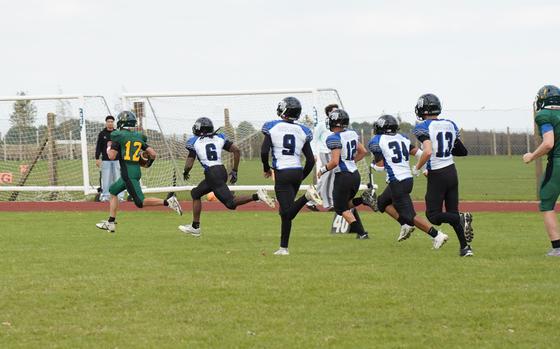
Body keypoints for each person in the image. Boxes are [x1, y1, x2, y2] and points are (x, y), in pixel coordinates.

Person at [178, 117, 275, 237]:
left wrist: (185, 172)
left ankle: (257, 196)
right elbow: (237, 151)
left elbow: (189, 163)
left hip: (213, 174)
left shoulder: (194, 141)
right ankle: (195, 227)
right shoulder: (219, 138)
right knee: (196, 193)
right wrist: (234, 170)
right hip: (220, 171)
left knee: (231, 203)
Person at [367, 114, 449, 248]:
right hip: (407, 179)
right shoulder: (402, 138)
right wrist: (423, 169)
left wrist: (373, 166)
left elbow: (380, 167)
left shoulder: (377, 140)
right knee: (382, 202)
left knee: (410, 216)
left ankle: (437, 235)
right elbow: (419, 154)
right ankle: (405, 225)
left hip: (397, 182)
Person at [95, 111, 183, 233]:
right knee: (113, 191)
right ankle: (110, 223)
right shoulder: (138, 136)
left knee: (140, 202)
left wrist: (109, 146)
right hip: (135, 170)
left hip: (128, 173)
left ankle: (168, 202)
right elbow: (153, 153)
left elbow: (111, 156)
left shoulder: (118, 136)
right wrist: (148, 163)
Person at [412, 94, 474, 257]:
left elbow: (427, 151)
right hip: (451, 171)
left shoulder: (422, 126)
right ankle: (465, 248)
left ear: (422, 109)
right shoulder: (450, 124)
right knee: (452, 211)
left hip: (438, 174)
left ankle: (460, 218)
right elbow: (462, 151)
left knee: (433, 216)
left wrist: (417, 167)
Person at [261, 96, 322, 255]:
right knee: (285, 212)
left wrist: (266, 168)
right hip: (296, 170)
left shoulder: (272, 127)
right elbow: (310, 160)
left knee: (286, 212)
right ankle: (283, 248)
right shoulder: (302, 130)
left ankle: (307, 197)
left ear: (284, 110)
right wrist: (302, 176)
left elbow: (263, 151)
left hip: (282, 171)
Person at [318, 109, 369, 239]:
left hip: (343, 176)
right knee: (346, 204)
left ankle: (362, 233)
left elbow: (334, 162)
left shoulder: (333, 138)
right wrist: (351, 161)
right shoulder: (351, 134)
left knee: (340, 209)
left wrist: (322, 170)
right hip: (355, 175)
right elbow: (363, 151)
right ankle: (363, 199)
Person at [523, 85, 560, 256]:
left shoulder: (544, 115)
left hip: (558, 162)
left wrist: (532, 156)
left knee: (546, 200)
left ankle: (557, 247)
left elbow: (548, 143)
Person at [311, 103, 338, 211]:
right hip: (326, 152)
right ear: (328, 113)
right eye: (334, 111)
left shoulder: (337, 124)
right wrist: (314, 153)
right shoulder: (322, 125)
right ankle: (329, 203)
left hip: (334, 153)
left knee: (325, 178)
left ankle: (311, 200)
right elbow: (314, 139)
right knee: (329, 175)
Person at [95, 115, 124, 201]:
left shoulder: (117, 133)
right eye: (108, 122)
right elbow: (98, 147)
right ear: (106, 123)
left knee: (118, 178)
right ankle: (105, 196)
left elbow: (121, 146)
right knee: (106, 178)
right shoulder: (102, 134)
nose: (110, 123)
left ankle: (120, 196)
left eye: (111, 122)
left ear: (113, 123)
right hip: (105, 160)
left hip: (117, 160)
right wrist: (97, 158)